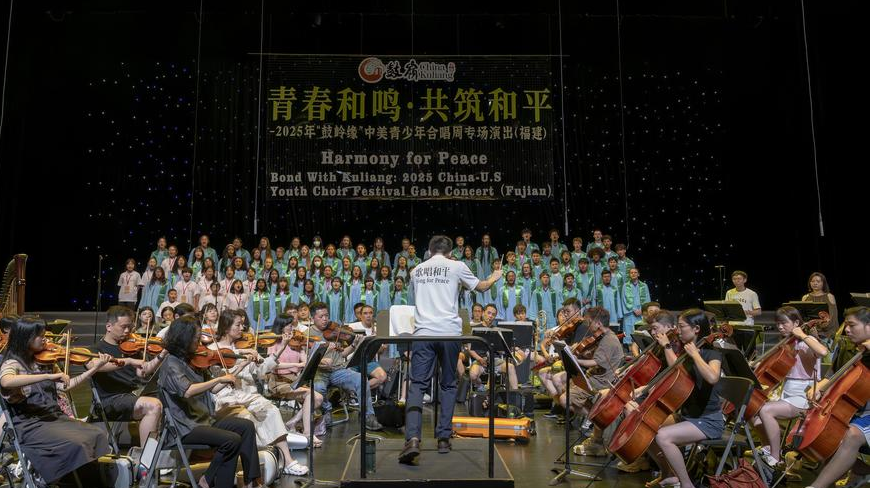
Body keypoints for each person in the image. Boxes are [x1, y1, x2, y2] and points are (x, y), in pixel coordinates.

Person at [400, 235, 502, 464]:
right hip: (449, 333)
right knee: (448, 384)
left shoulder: (416, 271)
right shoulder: (457, 266)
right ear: (449, 252)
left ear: (429, 251)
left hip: (423, 333)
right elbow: (481, 287)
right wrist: (495, 276)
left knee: (417, 386)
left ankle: (413, 439)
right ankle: (444, 439)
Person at [0, 316, 113, 485]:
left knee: (96, 434)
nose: (45, 339)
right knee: (76, 444)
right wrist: (46, 376)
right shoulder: (13, 363)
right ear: (25, 338)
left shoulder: (45, 361)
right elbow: (6, 381)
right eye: (40, 336)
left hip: (53, 417)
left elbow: (66, 386)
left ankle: (78, 481)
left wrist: (95, 368)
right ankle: (48, 479)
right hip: (29, 424)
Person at [158, 315, 261, 488]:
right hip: (184, 427)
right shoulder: (171, 363)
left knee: (246, 426)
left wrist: (238, 368)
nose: (199, 342)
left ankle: (252, 481)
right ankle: (210, 479)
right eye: (196, 338)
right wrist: (218, 379)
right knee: (232, 440)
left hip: (203, 421)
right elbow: (188, 391)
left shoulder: (194, 360)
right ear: (184, 338)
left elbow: (213, 389)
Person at [208, 311, 309, 475]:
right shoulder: (213, 351)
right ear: (226, 328)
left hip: (249, 395)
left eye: (242, 324)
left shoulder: (241, 349)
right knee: (248, 419)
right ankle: (263, 463)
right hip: (227, 400)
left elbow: (261, 371)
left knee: (272, 411)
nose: (242, 328)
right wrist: (241, 363)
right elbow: (217, 382)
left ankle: (287, 460)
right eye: (238, 325)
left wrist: (281, 348)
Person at [632, 309, 724, 488]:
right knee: (643, 428)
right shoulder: (685, 352)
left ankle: (686, 484)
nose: (677, 330)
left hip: (708, 420)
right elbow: (676, 369)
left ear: (696, 329)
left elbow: (713, 377)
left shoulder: (712, 353)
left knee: (663, 436)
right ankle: (668, 474)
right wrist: (667, 347)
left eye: (681, 326)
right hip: (687, 416)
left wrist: (695, 355)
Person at [750, 306, 828, 469]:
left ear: (797, 323)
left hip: (804, 395)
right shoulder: (788, 343)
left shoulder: (807, 340)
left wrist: (803, 335)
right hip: (786, 392)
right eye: (778, 324)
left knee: (766, 410)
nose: (780, 327)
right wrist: (757, 364)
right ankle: (767, 446)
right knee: (751, 409)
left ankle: (775, 456)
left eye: (784, 323)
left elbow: (823, 352)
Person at [805, 306, 870, 488]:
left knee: (852, 435)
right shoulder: (847, 346)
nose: (846, 329)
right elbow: (832, 375)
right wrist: (818, 388)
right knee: (824, 435)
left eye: (852, 325)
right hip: (851, 410)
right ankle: (862, 471)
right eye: (846, 325)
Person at [89, 306, 165, 453]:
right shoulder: (95, 349)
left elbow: (142, 373)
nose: (127, 331)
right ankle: (147, 457)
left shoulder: (130, 347)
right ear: (109, 326)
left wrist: (161, 355)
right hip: (110, 401)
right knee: (153, 405)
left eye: (129, 327)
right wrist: (128, 361)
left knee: (170, 399)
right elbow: (95, 366)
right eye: (123, 327)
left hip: (132, 395)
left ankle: (165, 452)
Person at [557, 307, 623, 457]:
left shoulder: (609, 340)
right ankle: (596, 422)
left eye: (589, 322)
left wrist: (575, 359)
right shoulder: (603, 337)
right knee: (567, 390)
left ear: (598, 323)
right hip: (592, 378)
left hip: (600, 382)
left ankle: (597, 420)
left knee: (564, 399)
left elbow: (596, 362)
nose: (587, 325)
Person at [308, 302, 382, 431]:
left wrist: (354, 345)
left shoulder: (334, 332)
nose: (325, 319)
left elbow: (342, 354)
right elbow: (308, 360)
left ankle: (368, 416)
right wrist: (321, 361)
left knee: (361, 379)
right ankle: (326, 411)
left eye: (327, 315)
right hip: (319, 372)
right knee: (318, 387)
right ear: (312, 318)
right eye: (321, 316)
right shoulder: (308, 335)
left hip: (337, 370)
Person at [267, 315, 324, 447]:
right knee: (310, 395)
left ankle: (292, 422)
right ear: (281, 327)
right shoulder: (274, 343)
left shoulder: (296, 342)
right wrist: (296, 365)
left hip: (295, 381)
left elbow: (305, 361)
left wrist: (309, 358)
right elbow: (273, 365)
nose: (292, 328)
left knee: (318, 398)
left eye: (292, 325)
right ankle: (308, 433)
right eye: (289, 326)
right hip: (279, 382)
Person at [802, 272, 839, 340]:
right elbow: (804, 317)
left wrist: (819, 330)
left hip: (827, 331)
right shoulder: (805, 297)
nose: (815, 283)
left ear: (823, 283)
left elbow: (833, 318)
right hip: (810, 331)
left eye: (818, 281)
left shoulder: (829, 296)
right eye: (812, 281)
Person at [622, 267, 651, 347]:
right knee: (629, 330)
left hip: (641, 313)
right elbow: (623, 300)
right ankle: (629, 348)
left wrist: (642, 310)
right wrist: (633, 309)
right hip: (630, 313)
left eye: (635, 272)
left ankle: (641, 348)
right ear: (629, 275)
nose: (633, 274)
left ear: (638, 274)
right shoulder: (625, 286)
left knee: (641, 331)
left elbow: (647, 299)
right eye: (631, 273)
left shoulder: (644, 286)